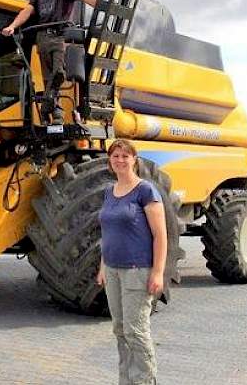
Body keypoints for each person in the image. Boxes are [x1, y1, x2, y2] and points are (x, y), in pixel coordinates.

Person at [96, 139, 167, 385]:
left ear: (134, 159)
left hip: (138, 271)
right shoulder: (109, 191)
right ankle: (126, 381)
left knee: (135, 332)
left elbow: (160, 235)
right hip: (113, 270)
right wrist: (103, 266)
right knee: (120, 330)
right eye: (115, 156)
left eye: (125, 156)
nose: (120, 160)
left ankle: (145, 381)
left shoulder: (145, 191)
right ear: (110, 160)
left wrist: (158, 272)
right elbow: (108, 232)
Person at [1, 0, 96, 124]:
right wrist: (13, 26)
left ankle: (45, 107)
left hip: (60, 36)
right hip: (42, 38)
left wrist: (102, 6)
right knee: (47, 80)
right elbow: (27, 12)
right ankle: (56, 116)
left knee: (59, 73)